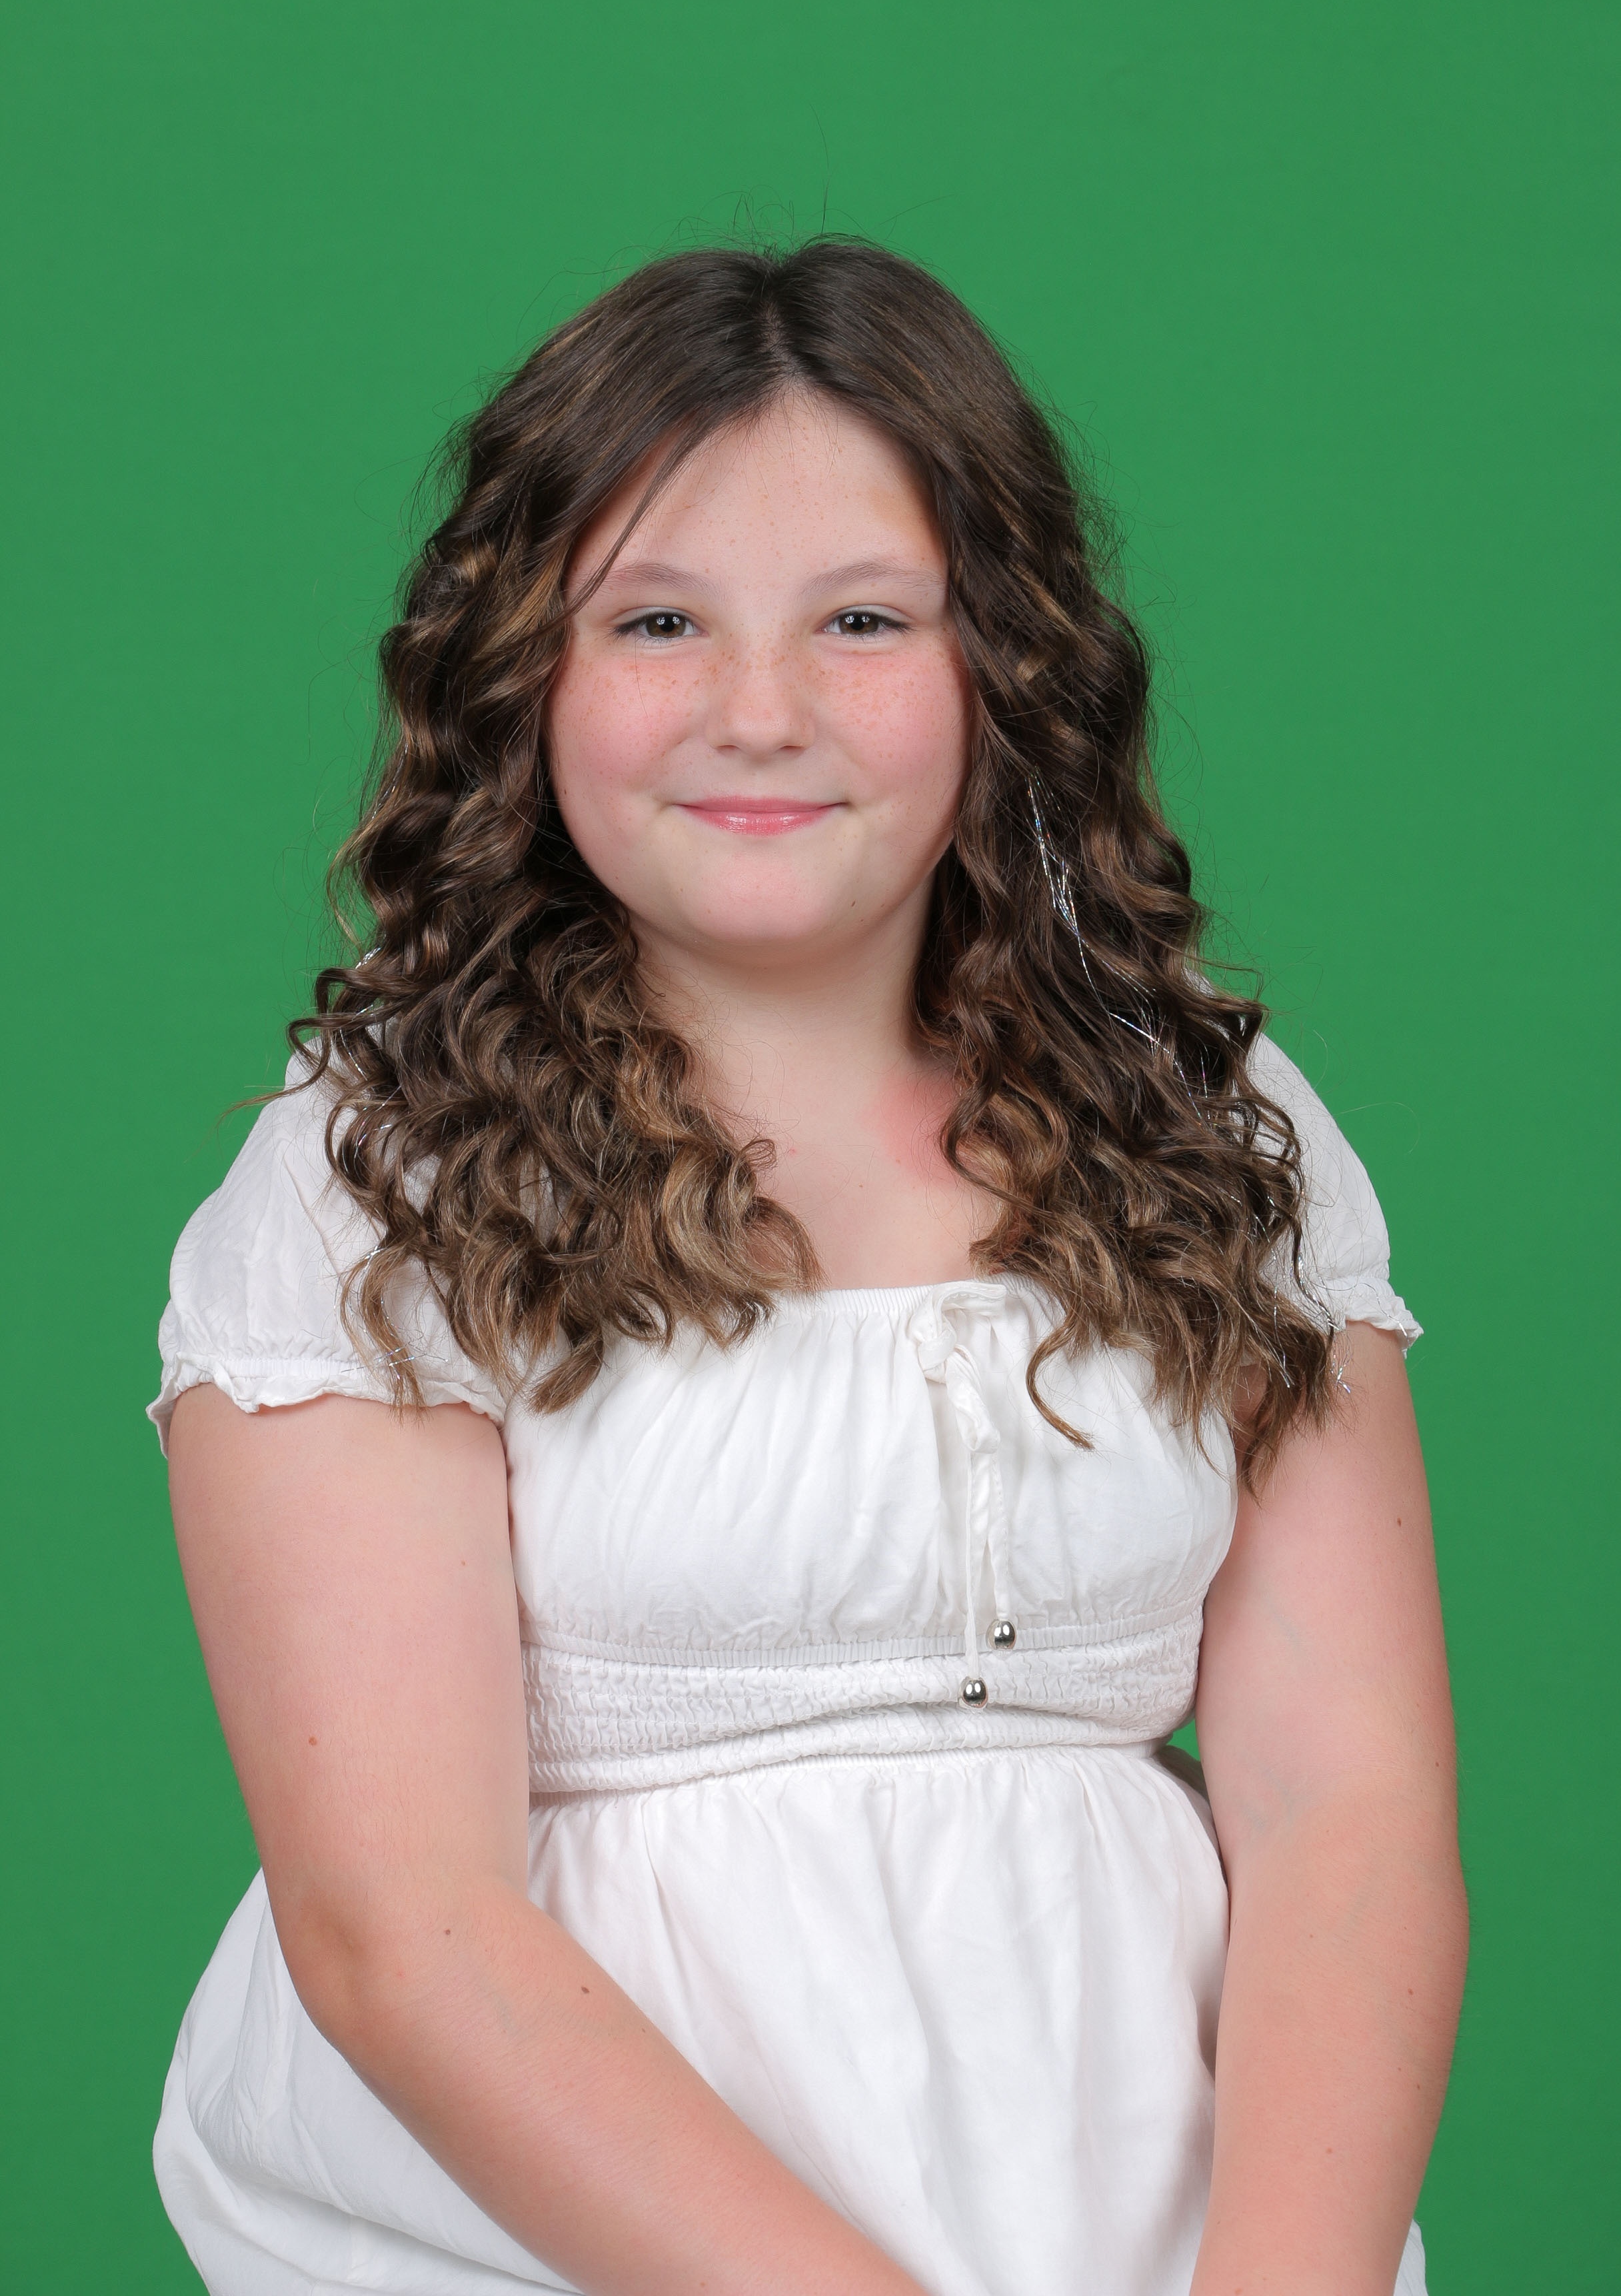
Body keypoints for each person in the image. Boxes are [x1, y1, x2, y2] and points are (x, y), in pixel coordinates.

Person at [151, 239, 1466, 2296]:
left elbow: (1347, 1821)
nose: (757, 713)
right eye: (656, 619)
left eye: (862, 619)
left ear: (1001, 666)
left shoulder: (1216, 1124)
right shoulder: (369, 1186)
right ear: (527, 676)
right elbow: (403, 1935)